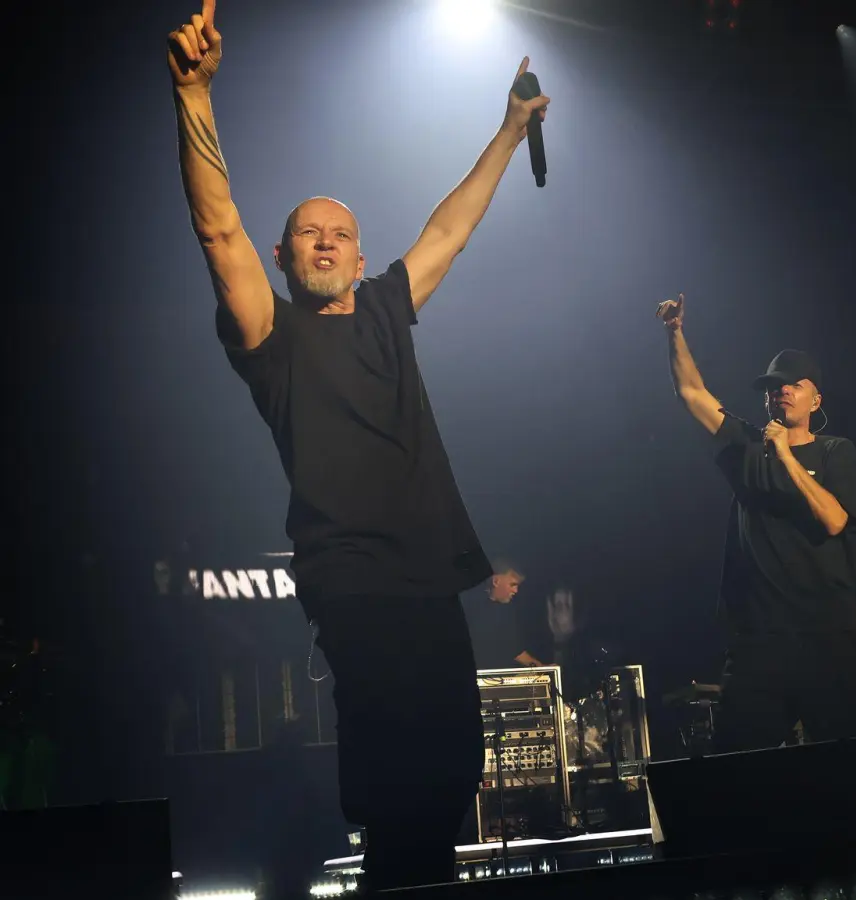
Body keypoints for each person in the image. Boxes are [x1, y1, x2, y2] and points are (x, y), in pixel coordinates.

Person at [165, 2, 551, 889]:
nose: (328, 239)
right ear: (284, 254)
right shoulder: (272, 336)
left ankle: (414, 877)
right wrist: (194, 96)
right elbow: (216, 228)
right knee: (392, 767)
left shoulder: (384, 306)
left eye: (340, 230)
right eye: (309, 231)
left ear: (360, 249)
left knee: (453, 763)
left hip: (427, 569)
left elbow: (452, 226)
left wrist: (506, 129)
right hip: (352, 575)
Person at [656, 293, 856, 751]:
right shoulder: (746, 447)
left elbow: (834, 520)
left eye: (794, 384)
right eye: (775, 385)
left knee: (853, 762)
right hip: (760, 642)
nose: (782, 390)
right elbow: (692, 393)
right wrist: (675, 332)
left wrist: (786, 456)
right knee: (742, 765)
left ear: (816, 398)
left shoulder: (837, 452)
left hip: (827, 638)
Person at [467, 559, 540, 670]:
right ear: (496, 581)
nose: (515, 590)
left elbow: (516, 651)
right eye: (512, 585)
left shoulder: (508, 611)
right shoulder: (469, 606)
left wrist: (542, 668)